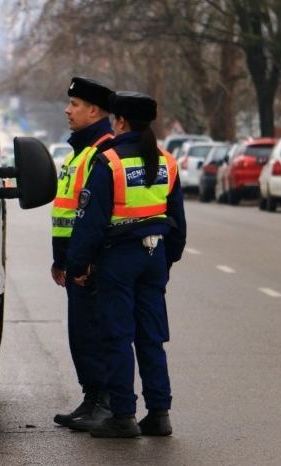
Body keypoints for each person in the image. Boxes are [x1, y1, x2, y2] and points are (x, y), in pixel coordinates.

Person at [66, 91, 186, 438]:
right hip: (154, 256)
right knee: (151, 336)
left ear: (119, 121)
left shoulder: (110, 162)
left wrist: (78, 264)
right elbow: (177, 218)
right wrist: (167, 259)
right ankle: (159, 413)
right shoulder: (167, 161)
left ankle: (123, 415)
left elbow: (90, 221)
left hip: (118, 258)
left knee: (117, 335)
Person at [50, 77, 115, 431]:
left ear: (94, 111)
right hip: (75, 260)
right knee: (80, 333)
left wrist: (81, 260)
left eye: (74, 104)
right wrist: (60, 258)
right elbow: (66, 213)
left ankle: (102, 401)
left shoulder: (102, 150)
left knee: (92, 333)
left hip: (90, 263)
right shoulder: (82, 150)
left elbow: (92, 216)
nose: (67, 109)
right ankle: (91, 398)